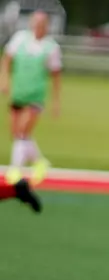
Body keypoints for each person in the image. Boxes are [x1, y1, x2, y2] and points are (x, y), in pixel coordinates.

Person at [0, 10, 60, 187]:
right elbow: (7, 59)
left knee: (23, 131)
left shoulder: (51, 47)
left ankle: (15, 170)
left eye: (42, 24)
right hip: (19, 92)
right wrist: (4, 79)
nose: (38, 27)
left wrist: (56, 101)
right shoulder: (20, 39)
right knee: (16, 133)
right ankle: (39, 162)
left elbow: (56, 75)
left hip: (35, 94)